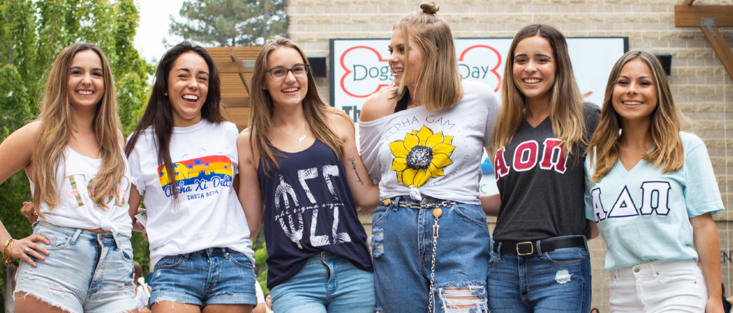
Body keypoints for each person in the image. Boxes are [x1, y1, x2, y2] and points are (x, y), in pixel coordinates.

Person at [358, 2, 499, 312]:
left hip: (460, 233)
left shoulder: (480, 98)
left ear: (434, 51)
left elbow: (508, 173)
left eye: (402, 49)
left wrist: (471, 203)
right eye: (390, 49)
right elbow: (370, 182)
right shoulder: (377, 108)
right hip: (394, 233)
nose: (392, 58)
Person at [0, 42, 138, 312]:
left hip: (116, 269)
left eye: (96, 73)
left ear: (106, 83)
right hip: (54, 267)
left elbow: (102, 203)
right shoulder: (37, 134)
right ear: (62, 79)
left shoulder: (114, 138)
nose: (87, 81)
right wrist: (7, 244)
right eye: (76, 72)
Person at [238, 37, 376, 313]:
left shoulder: (336, 122)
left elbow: (365, 197)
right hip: (293, 280)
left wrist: (418, 178)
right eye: (279, 71)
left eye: (298, 69)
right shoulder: (250, 140)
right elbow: (249, 224)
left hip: (353, 270)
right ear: (263, 81)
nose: (290, 78)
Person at [585, 50, 724, 313]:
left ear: (660, 91)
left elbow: (703, 225)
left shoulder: (686, 147)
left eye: (644, 83)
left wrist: (715, 298)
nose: (632, 90)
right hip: (621, 291)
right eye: (623, 82)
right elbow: (591, 227)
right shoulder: (594, 158)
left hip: (677, 285)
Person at [125, 42, 256, 312]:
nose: (193, 84)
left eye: (202, 78)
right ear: (164, 84)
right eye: (183, 76)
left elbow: (246, 208)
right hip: (173, 268)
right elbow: (121, 214)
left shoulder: (228, 132)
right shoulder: (141, 143)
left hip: (231, 263)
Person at [484, 24, 600, 313]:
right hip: (502, 265)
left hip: (561, 261)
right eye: (521, 60)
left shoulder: (586, 118)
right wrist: (463, 201)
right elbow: (515, 198)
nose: (530, 68)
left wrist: (590, 223)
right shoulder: (501, 127)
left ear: (559, 65)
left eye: (542, 59)